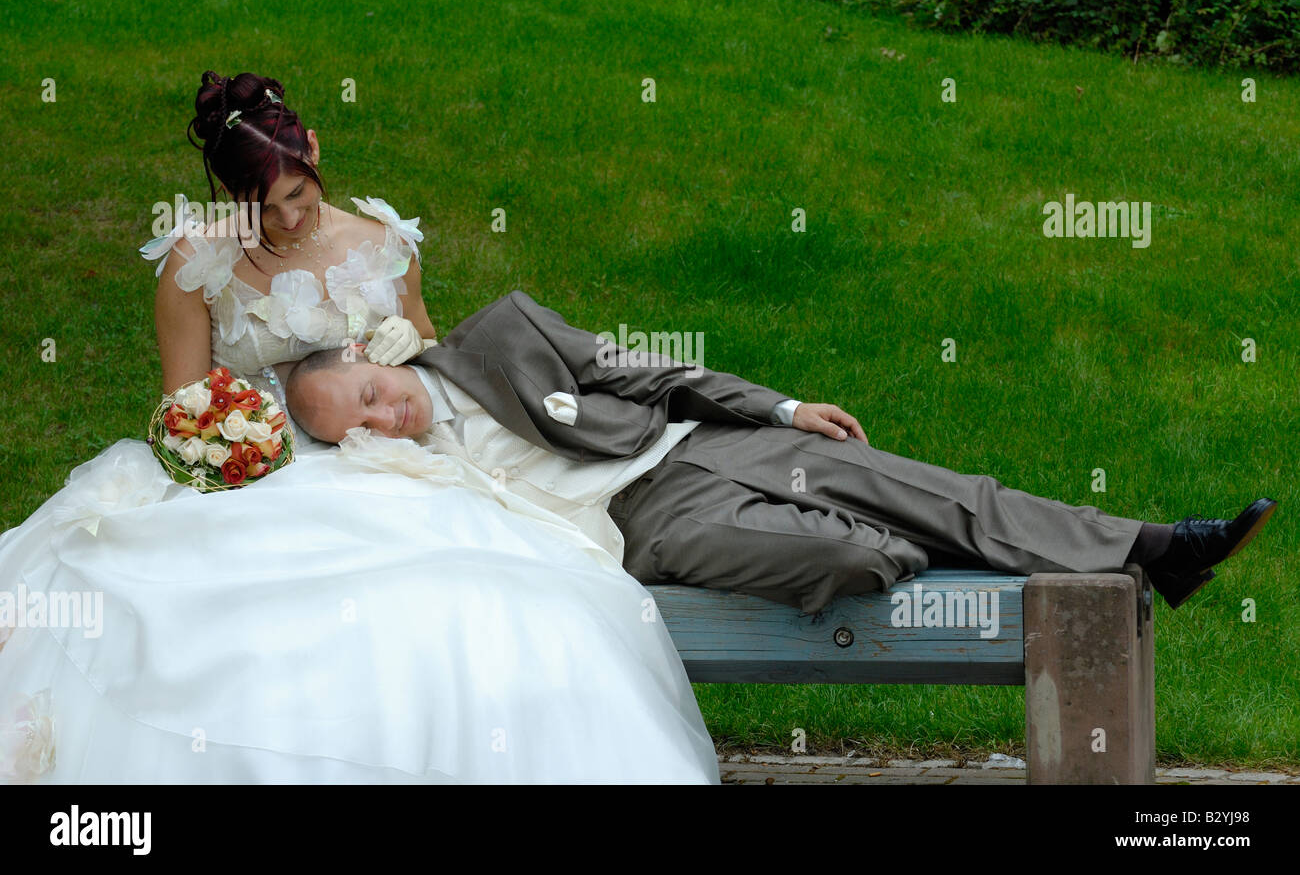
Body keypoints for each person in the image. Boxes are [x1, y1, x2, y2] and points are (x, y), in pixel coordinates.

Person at [0, 71, 721, 785]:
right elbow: (180, 405)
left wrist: (410, 334)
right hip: (248, 472)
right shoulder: (196, 262)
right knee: (221, 625)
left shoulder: (382, 241)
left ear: (314, 152)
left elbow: (427, 337)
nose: (285, 221)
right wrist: (229, 434)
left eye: (295, 196)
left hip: (379, 458)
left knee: (468, 601)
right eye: (260, 208)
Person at [284, 290, 1278, 616]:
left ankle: (1158, 546)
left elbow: (640, 369)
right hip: (650, 527)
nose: (380, 419)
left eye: (371, 392)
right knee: (857, 555)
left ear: (378, 354)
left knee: (921, 484)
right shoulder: (389, 477)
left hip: (697, 447)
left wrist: (784, 404)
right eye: (354, 425)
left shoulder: (501, 332)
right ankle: (941, 542)